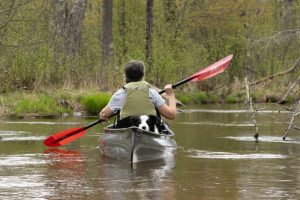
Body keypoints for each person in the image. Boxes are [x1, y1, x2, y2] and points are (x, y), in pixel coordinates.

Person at [99, 60, 176, 121]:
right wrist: (171, 95)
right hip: (149, 130)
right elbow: (171, 115)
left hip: (127, 130)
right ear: (142, 76)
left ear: (125, 76)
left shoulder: (119, 94)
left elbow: (103, 114)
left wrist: (104, 117)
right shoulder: (152, 93)